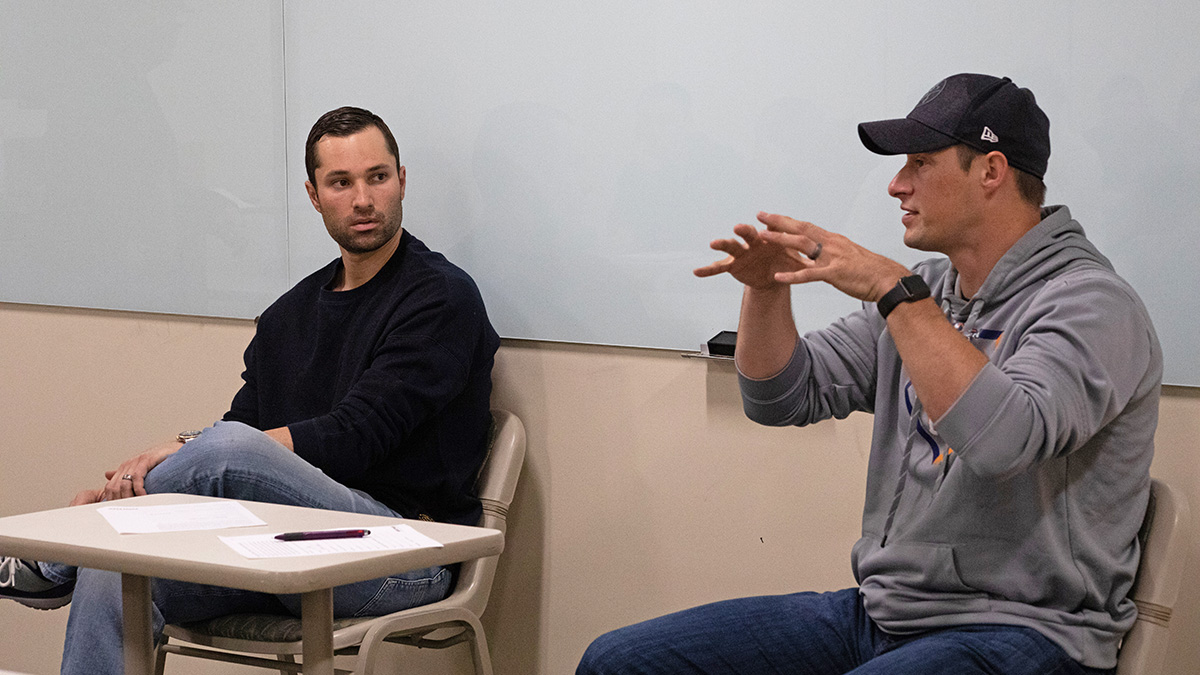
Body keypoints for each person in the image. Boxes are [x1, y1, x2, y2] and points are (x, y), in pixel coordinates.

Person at [578, 74, 1161, 674]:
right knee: (619, 662)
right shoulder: (929, 291)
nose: (895, 184)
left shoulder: (1092, 305)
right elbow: (781, 396)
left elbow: (1003, 441)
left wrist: (893, 290)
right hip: (886, 615)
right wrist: (765, 289)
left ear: (991, 171)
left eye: (920, 161)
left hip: (1027, 631)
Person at [0, 106, 501, 675]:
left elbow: (356, 436)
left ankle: (56, 557)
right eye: (341, 182)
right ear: (314, 196)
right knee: (116, 570)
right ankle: (83, 554)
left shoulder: (441, 298)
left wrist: (191, 452)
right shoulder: (287, 316)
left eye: (377, 177)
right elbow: (244, 437)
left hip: (401, 556)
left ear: (402, 181)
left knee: (227, 450)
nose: (363, 199)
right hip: (276, 547)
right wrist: (186, 462)